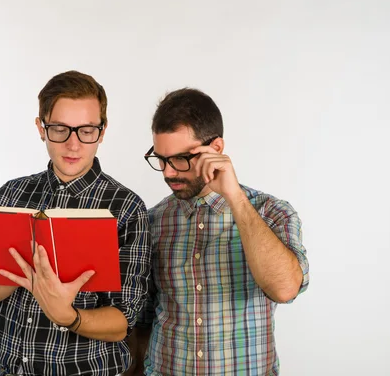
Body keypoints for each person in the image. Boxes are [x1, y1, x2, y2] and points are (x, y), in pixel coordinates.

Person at [0, 70, 152, 376]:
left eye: (86, 130)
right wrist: (25, 270)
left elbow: (122, 322)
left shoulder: (126, 209)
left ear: (102, 131)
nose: (73, 145)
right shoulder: (11, 194)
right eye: (60, 129)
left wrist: (68, 315)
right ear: (41, 127)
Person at [126, 88, 309, 375]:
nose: (168, 173)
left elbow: (284, 289)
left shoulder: (272, 212)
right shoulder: (152, 222)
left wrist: (235, 198)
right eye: (161, 159)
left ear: (216, 149)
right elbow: (142, 319)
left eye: (180, 159)